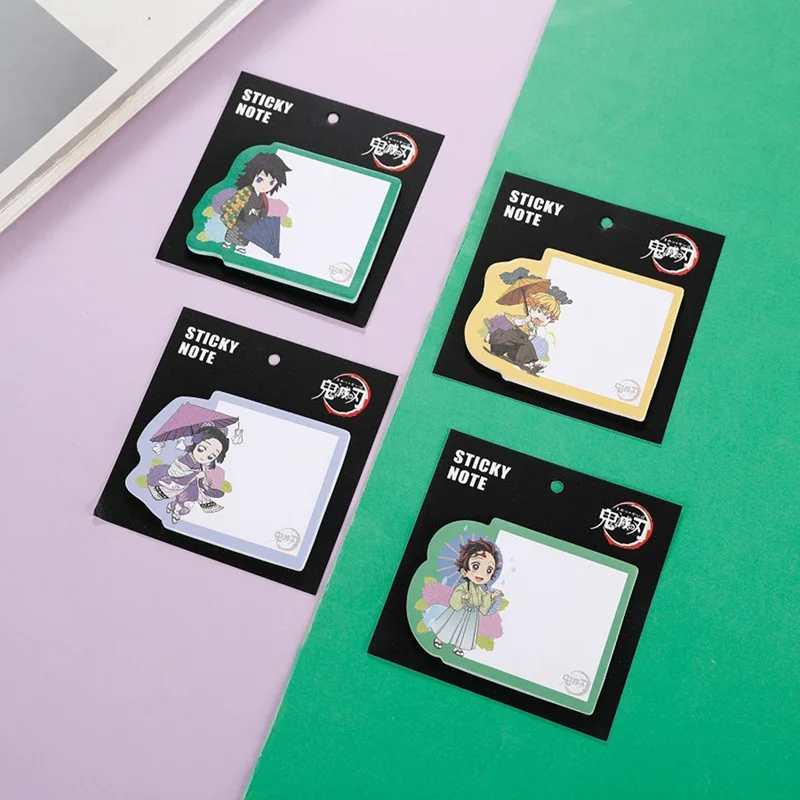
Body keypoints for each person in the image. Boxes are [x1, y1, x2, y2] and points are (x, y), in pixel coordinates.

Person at [428, 539, 504, 657]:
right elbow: (456, 598)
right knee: (450, 626)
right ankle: (440, 638)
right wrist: (463, 596)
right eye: (476, 566)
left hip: (472, 615)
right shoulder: (463, 586)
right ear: (464, 570)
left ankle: (458, 647)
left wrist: (492, 596)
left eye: (489, 570)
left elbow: (483, 606)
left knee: (465, 631)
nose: (482, 573)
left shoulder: (481, 591)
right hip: (459, 611)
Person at [146, 427, 229, 524]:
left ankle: (173, 506)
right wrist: (195, 475)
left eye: (211, 456)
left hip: (191, 487)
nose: (204, 456)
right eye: (202, 449)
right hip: (179, 484)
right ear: (197, 442)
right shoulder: (184, 461)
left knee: (188, 505)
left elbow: (201, 479)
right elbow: (176, 474)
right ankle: (175, 510)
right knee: (184, 504)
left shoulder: (201, 465)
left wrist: (202, 479)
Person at [220, 152, 291, 255]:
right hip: (242, 217)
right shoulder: (246, 192)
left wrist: (262, 216)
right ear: (252, 176)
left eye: (271, 183)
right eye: (260, 179)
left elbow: (264, 208)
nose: (264, 185)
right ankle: (228, 242)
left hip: (252, 220)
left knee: (246, 233)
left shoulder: (263, 197)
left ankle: (240, 246)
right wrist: (250, 210)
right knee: (235, 230)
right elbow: (239, 203)